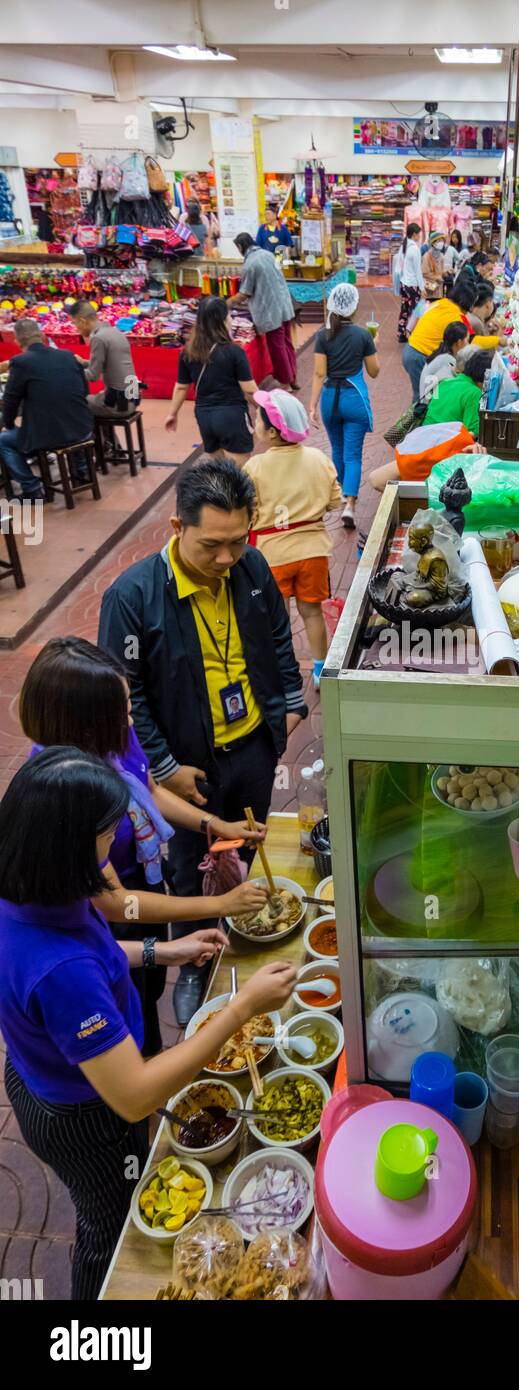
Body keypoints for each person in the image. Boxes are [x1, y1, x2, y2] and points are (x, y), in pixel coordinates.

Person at [0, 744, 297, 1299]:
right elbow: (135, 1097)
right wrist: (241, 1009)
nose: (113, 844)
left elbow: (100, 950)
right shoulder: (58, 970)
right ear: (64, 847)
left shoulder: (31, 887)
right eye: (104, 834)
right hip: (83, 1114)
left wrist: (164, 952)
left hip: (50, 1073)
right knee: (110, 1233)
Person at [98, 456, 308, 1024]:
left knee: (246, 845)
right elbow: (128, 695)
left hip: (255, 750)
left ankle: (246, 941)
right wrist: (164, 766)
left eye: (238, 542)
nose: (226, 559)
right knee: (193, 866)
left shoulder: (253, 569)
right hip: (189, 770)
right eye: (212, 545)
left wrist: (288, 708)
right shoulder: (133, 597)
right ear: (176, 529)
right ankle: (195, 963)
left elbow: (277, 642)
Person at [18, 636, 269, 1055]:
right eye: (122, 713)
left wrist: (215, 823)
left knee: (147, 991)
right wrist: (219, 906)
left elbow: (148, 788)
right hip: (114, 917)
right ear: (81, 723)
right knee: (125, 1020)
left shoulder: (113, 737)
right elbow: (117, 904)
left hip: (142, 890)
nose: (131, 721)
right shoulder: (64, 794)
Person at [244, 390, 342, 688]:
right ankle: (319, 670)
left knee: (278, 618)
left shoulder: (255, 467)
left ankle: (283, 672)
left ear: (272, 432)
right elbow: (334, 501)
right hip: (313, 552)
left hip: (272, 556)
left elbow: (249, 511)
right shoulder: (318, 459)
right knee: (312, 612)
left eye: (258, 420)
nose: (254, 423)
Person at [309, 282, 379, 531]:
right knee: (353, 455)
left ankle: (340, 495)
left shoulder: (322, 335)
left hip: (330, 399)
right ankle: (349, 504)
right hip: (354, 399)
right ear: (354, 307)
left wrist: (312, 406)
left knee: (337, 450)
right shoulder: (362, 336)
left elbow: (319, 374)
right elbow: (374, 372)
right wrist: (373, 344)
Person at [0, 319, 93, 501]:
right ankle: (82, 473)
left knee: (3, 441)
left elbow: (10, 400)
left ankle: (32, 489)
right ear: (43, 337)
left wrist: (8, 424)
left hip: (50, 435)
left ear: (17, 341)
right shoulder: (67, 355)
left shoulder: (20, 363)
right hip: (83, 426)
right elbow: (84, 390)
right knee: (67, 416)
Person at [165, 296, 257, 465]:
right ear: (221, 321)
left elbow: (181, 387)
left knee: (221, 474)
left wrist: (172, 414)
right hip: (232, 416)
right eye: (228, 316)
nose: (230, 320)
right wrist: (265, 409)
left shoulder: (188, 352)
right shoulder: (234, 352)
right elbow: (249, 389)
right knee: (240, 476)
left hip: (204, 417)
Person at [230, 232, 299, 392]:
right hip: (284, 305)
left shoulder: (250, 264)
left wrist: (227, 303)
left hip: (270, 311)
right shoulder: (268, 254)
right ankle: (292, 377)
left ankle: (285, 383)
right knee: (287, 343)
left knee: (277, 347)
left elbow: (244, 293)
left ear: (241, 247)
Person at [404, 277, 475, 402]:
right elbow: (471, 341)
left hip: (410, 349)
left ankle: (420, 417)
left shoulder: (440, 302)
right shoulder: (456, 316)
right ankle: (418, 420)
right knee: (424, 398)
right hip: (419, 354)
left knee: (422, 393)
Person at [68, 300, 140, 420]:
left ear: (82, 321)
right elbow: (110, 363)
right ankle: (107, 439)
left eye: (75, 323)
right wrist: (84, 363)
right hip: (134, 398)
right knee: (98, 397)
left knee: (75, 401)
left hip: (118, 405)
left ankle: (91, 438)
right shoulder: (115, 332)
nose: (76, 328)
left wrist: (67, 372)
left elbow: (92, 376)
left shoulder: (98, 338)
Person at [424, 349, 492, 437]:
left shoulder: (445, 383)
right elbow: (471, 431)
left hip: (424, 435)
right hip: (440, 442)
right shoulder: (474, 393)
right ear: (486, 376)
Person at [418, 321, 471, 406]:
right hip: (431, 407)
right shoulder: (447, 361)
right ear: (459, 342)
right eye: (467, 341)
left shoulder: (441, 353)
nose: (468, 345)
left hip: (428, 401)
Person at [397, 222, 423, 343]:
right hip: (413, 285)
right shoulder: (415, 249)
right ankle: (413, 334)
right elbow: (418, 271)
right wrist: (422, 288)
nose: (419, 236)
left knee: (404, 309)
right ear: (414, 234)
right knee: (416, 311)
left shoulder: (403, 246)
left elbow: (400, 267)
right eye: (418, 234)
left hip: (404, 283)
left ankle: (401, 333)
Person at [421, 230, 447, 300]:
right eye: (439, 241)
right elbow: (424, 273)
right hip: (430, 289)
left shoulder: (441, 256)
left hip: (439, 290)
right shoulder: (427, 256)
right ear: (433, 243)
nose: (441, 243)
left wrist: (445, 273)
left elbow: (441, 271)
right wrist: (436, 277)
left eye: (442, 241)